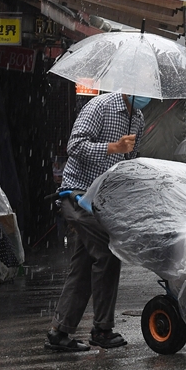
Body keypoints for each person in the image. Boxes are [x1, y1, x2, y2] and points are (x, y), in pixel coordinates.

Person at [44, 92, 148, 352]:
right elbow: (74, 146)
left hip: (104, 200)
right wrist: (113, 147)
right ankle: (102, 329)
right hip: (77, 194)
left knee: (84, 265)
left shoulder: (138, 118)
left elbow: (129, 160)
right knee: (107, 253)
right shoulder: (99, 107)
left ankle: (59, 332)